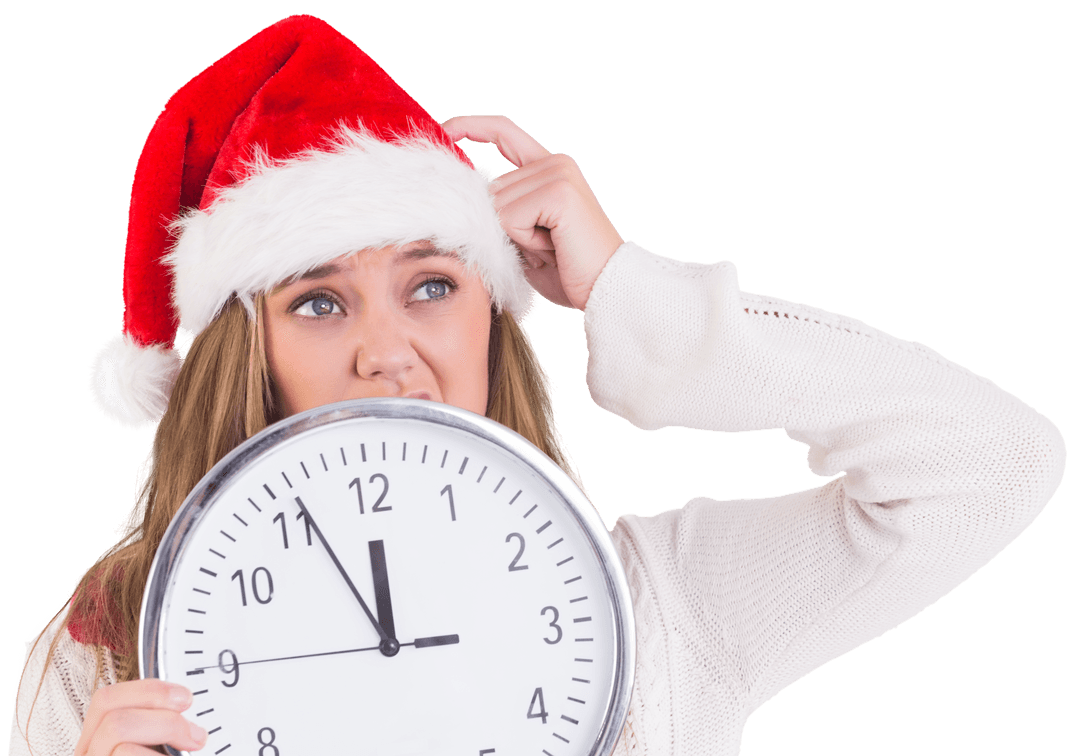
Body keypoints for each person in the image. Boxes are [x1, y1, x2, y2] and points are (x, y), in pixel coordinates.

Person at [8, 14, 1066, 756]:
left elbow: (994, 462)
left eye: (431, 283)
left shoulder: (662, 609)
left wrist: (630, 294)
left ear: (492, 320)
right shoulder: (102, 657)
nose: (387, 350)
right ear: (250, 353)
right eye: (319, 303)